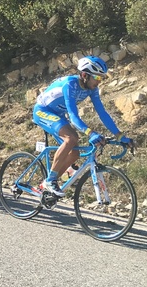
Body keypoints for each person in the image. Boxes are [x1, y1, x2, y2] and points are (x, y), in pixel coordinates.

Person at [33, 55, 132, 196]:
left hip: (58, 114)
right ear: (85, 75)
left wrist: (120, 135)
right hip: (43, 111)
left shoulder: (92, 89)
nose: (99, 81)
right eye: (97, 77)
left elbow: (102, 113)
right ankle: (50, 181)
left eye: (102, 78)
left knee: (74, 153)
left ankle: (45, 185)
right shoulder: (70, 85)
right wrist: (90, 133)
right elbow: (73, 116)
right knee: (71, 138)